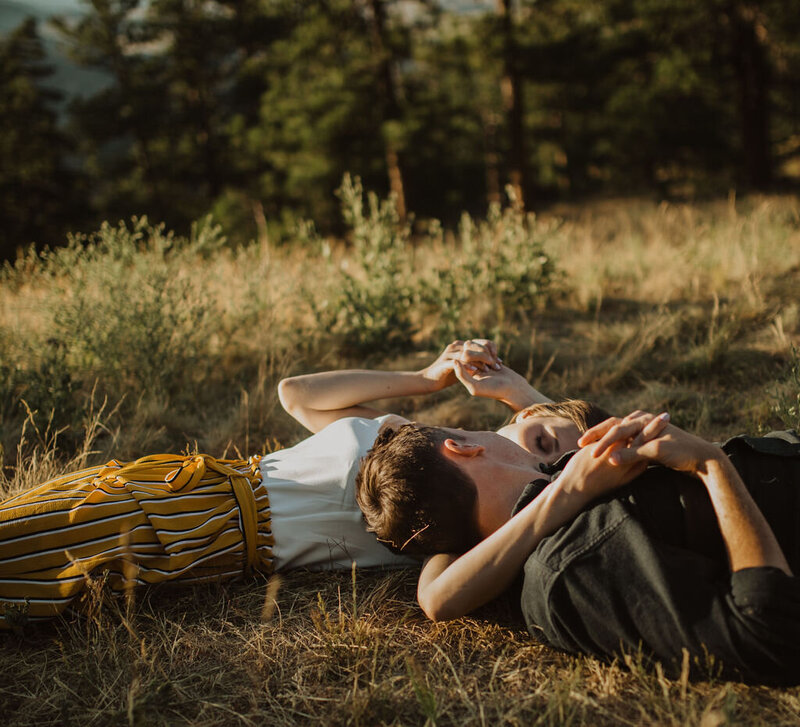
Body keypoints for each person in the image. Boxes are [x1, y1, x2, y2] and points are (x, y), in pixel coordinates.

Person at [0, 339, 571, 629]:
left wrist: (522, 399)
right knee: (25, 518)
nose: (534, 459)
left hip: (196, 532)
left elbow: (440, 596)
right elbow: (295, 392)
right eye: (539, 437)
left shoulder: (454, 516)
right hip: (170, 480)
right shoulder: (409, 438)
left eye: (546, 462)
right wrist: (424, 380)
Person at [357, 405, 800, 684]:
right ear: (462, 446)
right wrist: (710, 465)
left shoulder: (570, 472)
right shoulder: (572, 563)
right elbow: (764, 635)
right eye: (463, 426)